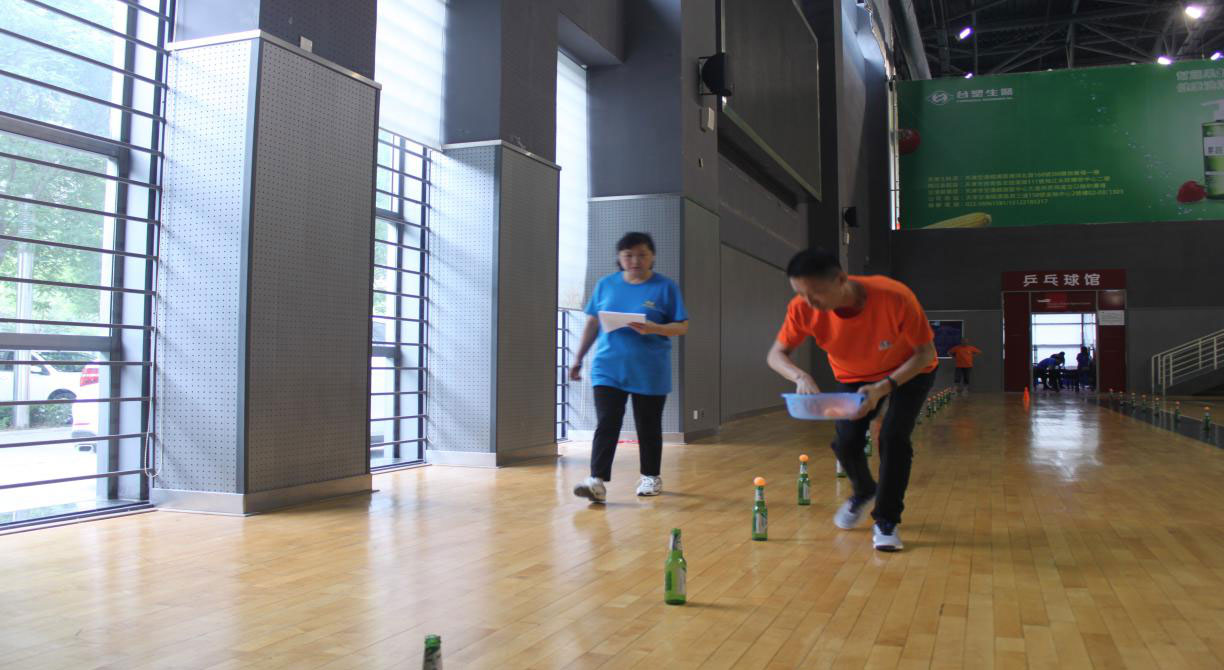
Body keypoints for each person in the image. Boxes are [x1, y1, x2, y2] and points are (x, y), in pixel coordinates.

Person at [766, 248, 937, 552]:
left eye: (815, 293)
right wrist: (799, 376)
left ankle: (886, 520)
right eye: (800, 293)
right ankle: (863, 490)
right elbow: (776, 354)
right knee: (846, 441)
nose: (809, 302)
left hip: (910, 371)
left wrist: (883, 388)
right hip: (853, 375)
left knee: (893, 436)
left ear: (841, 280)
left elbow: (925, 353)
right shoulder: (802, 308)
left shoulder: (894, 297)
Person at [570, 232, 689, 503]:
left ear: (652, 257)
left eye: (642, 255)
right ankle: (597, 480)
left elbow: (682, 326)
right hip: (608, 367)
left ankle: (650, 476)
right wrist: (578, 358)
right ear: (619, 258)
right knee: (607, 422)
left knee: (648, 425)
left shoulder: (665, 287)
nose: (635, 261)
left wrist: (655, 328)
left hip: (649, 369)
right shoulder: (606, 285)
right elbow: (592, 323)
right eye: (628, 255)